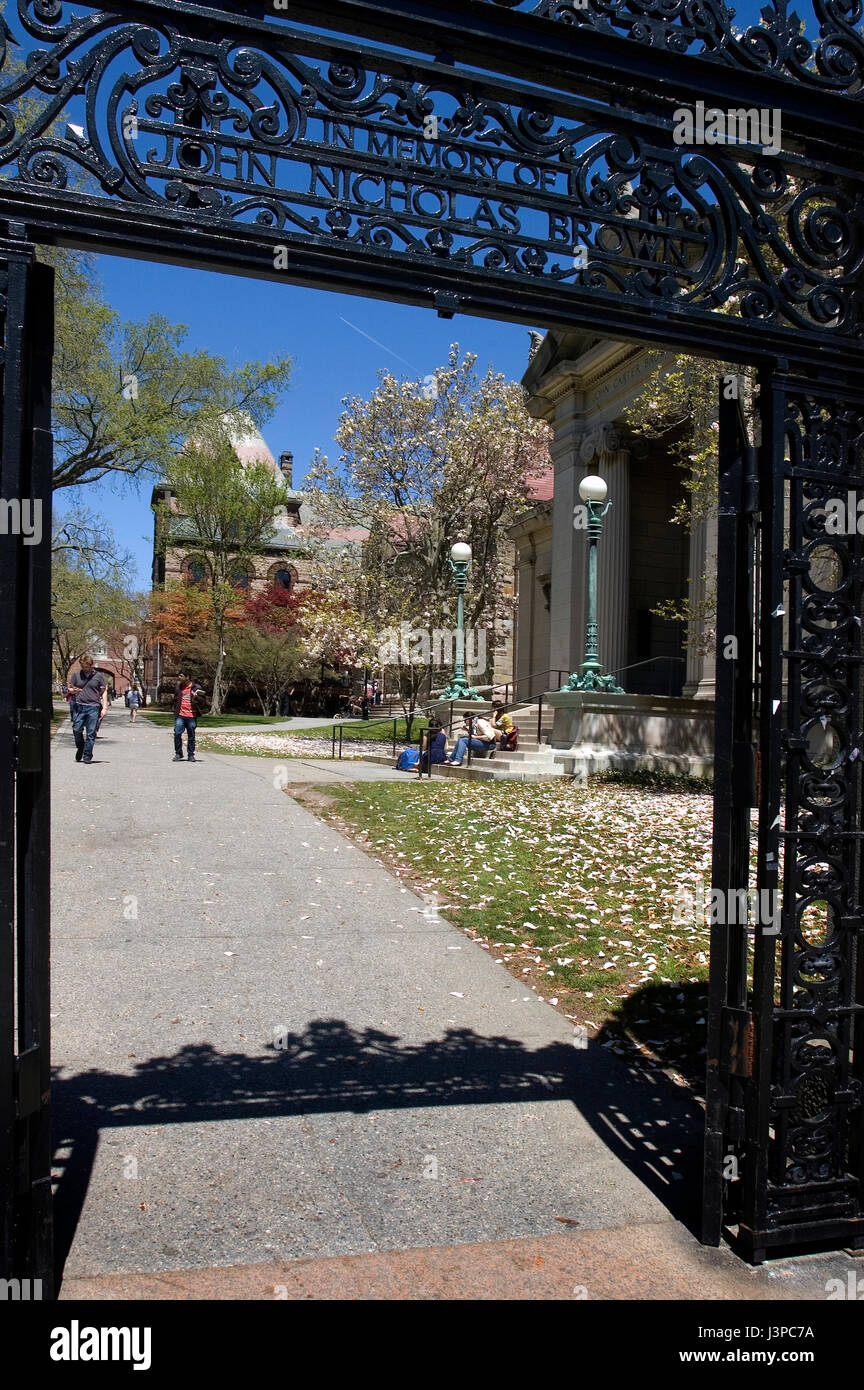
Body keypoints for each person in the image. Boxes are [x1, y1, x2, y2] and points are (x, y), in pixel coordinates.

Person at [67, 654, 109, 764]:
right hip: (80, 706)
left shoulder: (98, 676)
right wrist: (73, 691)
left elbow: (104, 691)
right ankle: (81, 747)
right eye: (83, 666)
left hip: (93, 707)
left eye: (87, 666)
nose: (85, 668)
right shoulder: (76, 675)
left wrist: (104, 707)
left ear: (91, 665)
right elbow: (70, 688)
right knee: (76, 729)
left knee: (91, 732)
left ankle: (87, 755)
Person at [173, 673, 206, 762]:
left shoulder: (196, 688)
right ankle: (178, 753)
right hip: (180, 715)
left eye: (181, 676)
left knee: (191, 735)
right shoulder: (179, 688)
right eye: (179, 675)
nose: (179, 677)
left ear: (187, 677)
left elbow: (203, 702)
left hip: (191, 716)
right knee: (177, 733)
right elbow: (175, 700)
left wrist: (197, 697)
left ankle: (191, 755)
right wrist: (175, 711)